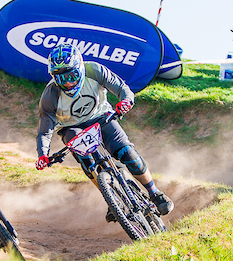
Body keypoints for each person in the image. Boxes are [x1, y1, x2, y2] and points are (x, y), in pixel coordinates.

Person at [34, 43, 173, 216]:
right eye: (61, 78)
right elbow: (44, 130)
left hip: (101, 116)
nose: (68, 82)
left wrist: (126, 101)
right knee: (86, 161)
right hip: (71, 127)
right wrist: (43, 154)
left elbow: (123, 89)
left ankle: (154, 192)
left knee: (128, 154)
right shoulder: (50, 95)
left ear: (81, 67)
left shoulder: (95, 71)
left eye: (72, 75)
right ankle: (111, 198)